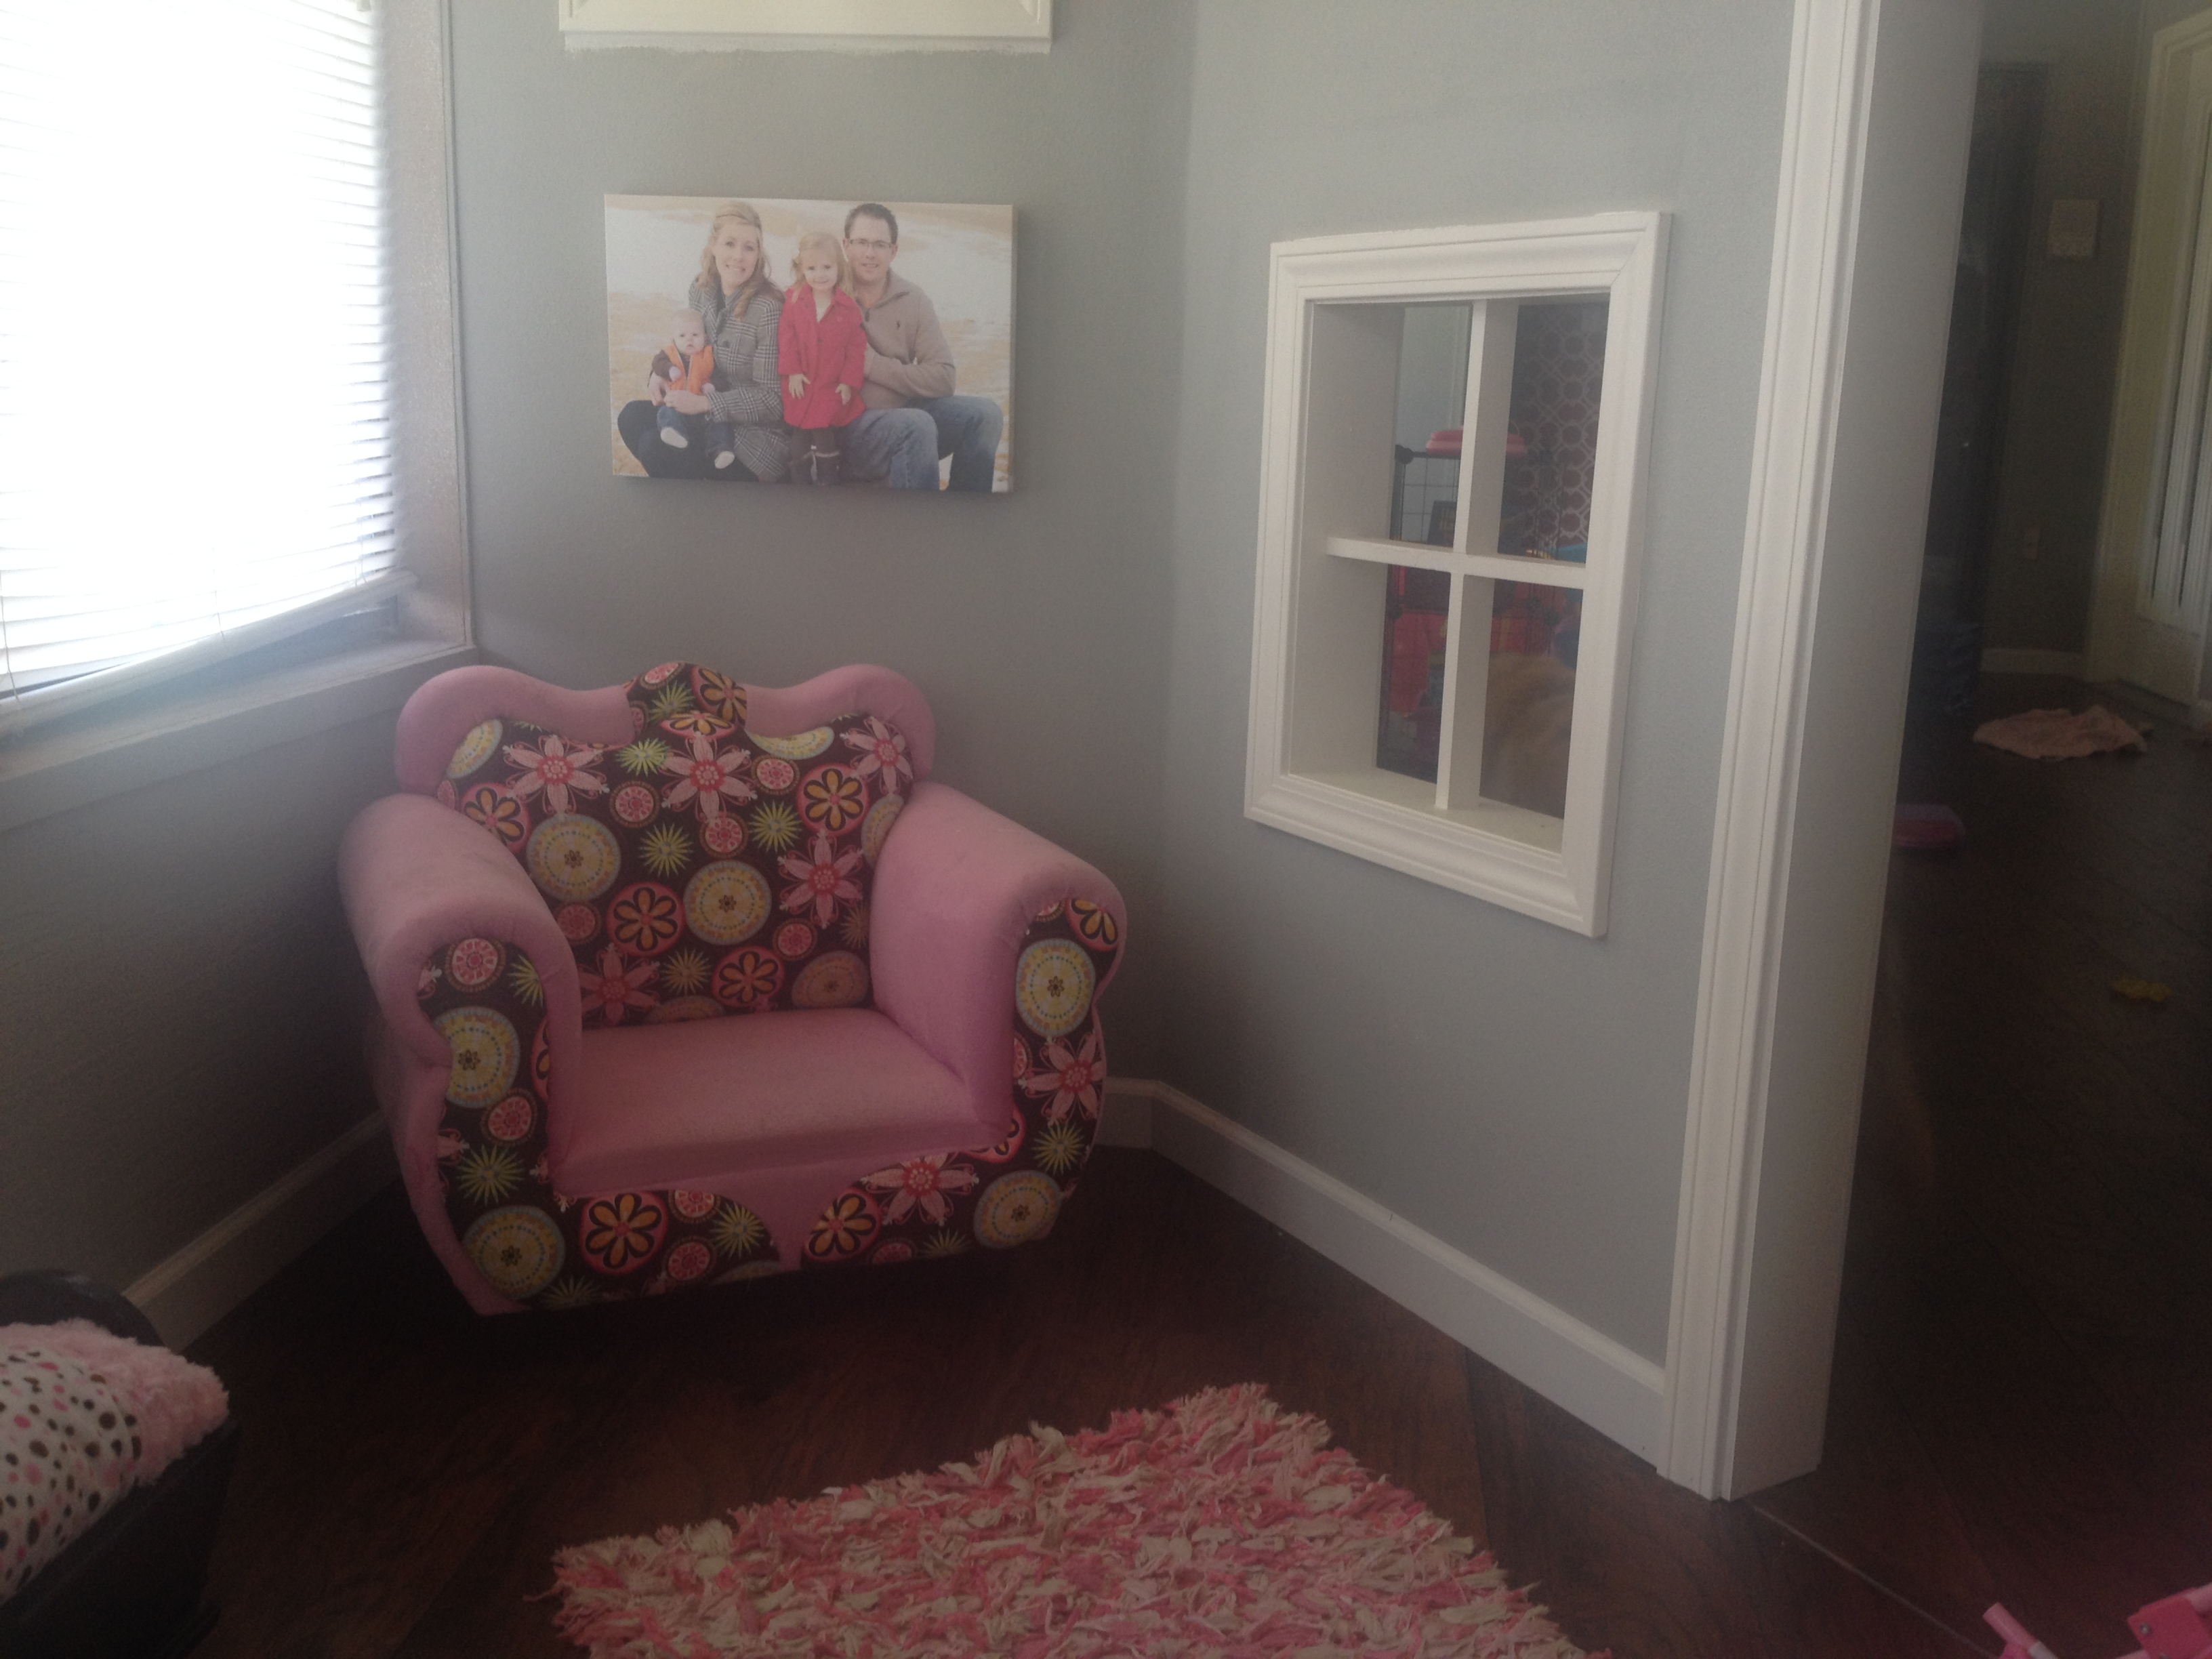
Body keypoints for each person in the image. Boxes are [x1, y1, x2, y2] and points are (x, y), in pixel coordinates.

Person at [838, 203, 1005, 492]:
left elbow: (943, 377)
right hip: (851, 429)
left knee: (985, 414)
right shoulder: (827, 294)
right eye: (861, 242)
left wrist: (873, 365)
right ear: (846, 246)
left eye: (880, 244)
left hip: (908, 416)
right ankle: (923, 529)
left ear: (894, 251)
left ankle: (968, 520)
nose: (869, 253)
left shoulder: (913, 299)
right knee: (917, 425)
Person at [615, 202, 786, 482]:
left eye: (749, 248)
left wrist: (705, 404)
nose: (738, 257)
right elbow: (686, 345)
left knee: (654, 449)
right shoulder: (701, 289)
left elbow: (773, 401)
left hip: (748, 442)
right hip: (699, 418)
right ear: (713, 245)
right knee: (632, 416)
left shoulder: (768, 309)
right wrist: (658, 375)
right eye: (729, 244)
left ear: (758, 254)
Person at [777, 232, 867, 486]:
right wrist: (792, 371)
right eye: (812, 268)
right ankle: (800, 480)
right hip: (801, 383)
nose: (820, 274)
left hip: (829, 385)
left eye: (827, 267)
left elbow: (856, 348)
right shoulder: (793, 300)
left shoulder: (848, 308)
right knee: (800, 436)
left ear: (839, 266)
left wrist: (849, 382)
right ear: (802, 269)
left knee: (825, 434)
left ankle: (828, 478)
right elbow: (787, 337)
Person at [649, 308, 737, 470]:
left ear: (705, 337)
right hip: (676, 405)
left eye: (695, 336)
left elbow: (721, 378)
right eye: (682, 336)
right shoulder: (669, 354)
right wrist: (668, 369)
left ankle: (721, 450)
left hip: (703, 410)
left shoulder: (709, 357)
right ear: (674, 340)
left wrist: (712, 385)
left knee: (720, 425)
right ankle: (674, 433)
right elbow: (657, 363)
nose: (689, 339)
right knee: (665, 413)